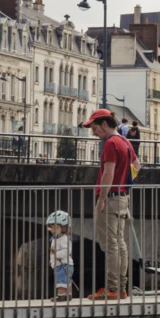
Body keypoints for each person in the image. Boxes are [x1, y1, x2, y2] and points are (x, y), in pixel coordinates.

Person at [82, 108, 140, 300]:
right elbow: (137, 166)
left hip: (111, 197)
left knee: (110, 245)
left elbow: (108, 172)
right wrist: (125, 182)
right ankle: (121, 288)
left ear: (105, 125)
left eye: (95, 128)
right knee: (120, 244)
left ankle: (112, 288)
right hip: (123, 197)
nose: (93, 133)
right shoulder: (125, 142)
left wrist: (102, 198)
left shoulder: (111, 144)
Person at [46, 210, 73, 302]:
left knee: (61, 280)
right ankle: (67, 295)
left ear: (64, 228)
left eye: (56, 228)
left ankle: (61, 296)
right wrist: (52, 261)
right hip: (59, 264)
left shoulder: (64, 238)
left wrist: (56, 255)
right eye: (51, 228)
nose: (53, 230)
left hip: (64, 264)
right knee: (65, 280)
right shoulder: (55, 239)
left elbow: (67, 250)